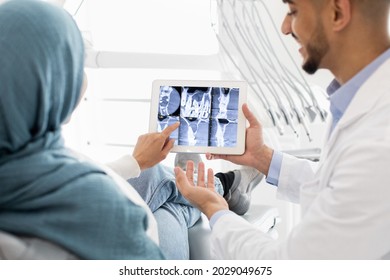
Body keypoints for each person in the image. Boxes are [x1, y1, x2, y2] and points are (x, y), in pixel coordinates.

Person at [0, 0, 262, 260]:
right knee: (167, 200)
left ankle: (217, 188)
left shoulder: (18, 160)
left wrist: (133, 162)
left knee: (154, 177)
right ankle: (221, 188)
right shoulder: (100, 204)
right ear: (49, 85)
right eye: (74, 64)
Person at [175, 0, 390, 259]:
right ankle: (228, 186)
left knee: (156, 188)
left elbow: (288, 266)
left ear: (338, 12)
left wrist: (214, 209)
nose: (286, 27)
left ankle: (222, 189)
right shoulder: (359, 100)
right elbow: (338, 188)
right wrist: (263, 158)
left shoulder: (379, 142)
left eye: (293, 11)